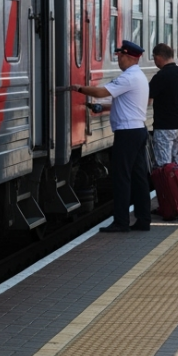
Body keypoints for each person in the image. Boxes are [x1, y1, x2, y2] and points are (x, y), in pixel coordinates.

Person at [69, 40, 151, 232]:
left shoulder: (128, 78)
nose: (118, 60)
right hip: (138, 130)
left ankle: (121, 222)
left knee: (121, 178)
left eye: (120, 56)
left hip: (127, 134)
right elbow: (123, 104)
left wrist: (78, 88)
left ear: (128, 57)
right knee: (139, 178)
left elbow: (100, 92)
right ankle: (143, 220)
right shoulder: (139, 76)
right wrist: (103, 108)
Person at [148, 43, 178, 169]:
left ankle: (167, 189)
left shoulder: (160, 76)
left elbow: (147, 98)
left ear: (159, 57)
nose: (155, 61)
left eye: (155, 58)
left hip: (165, 127)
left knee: (164, 165)